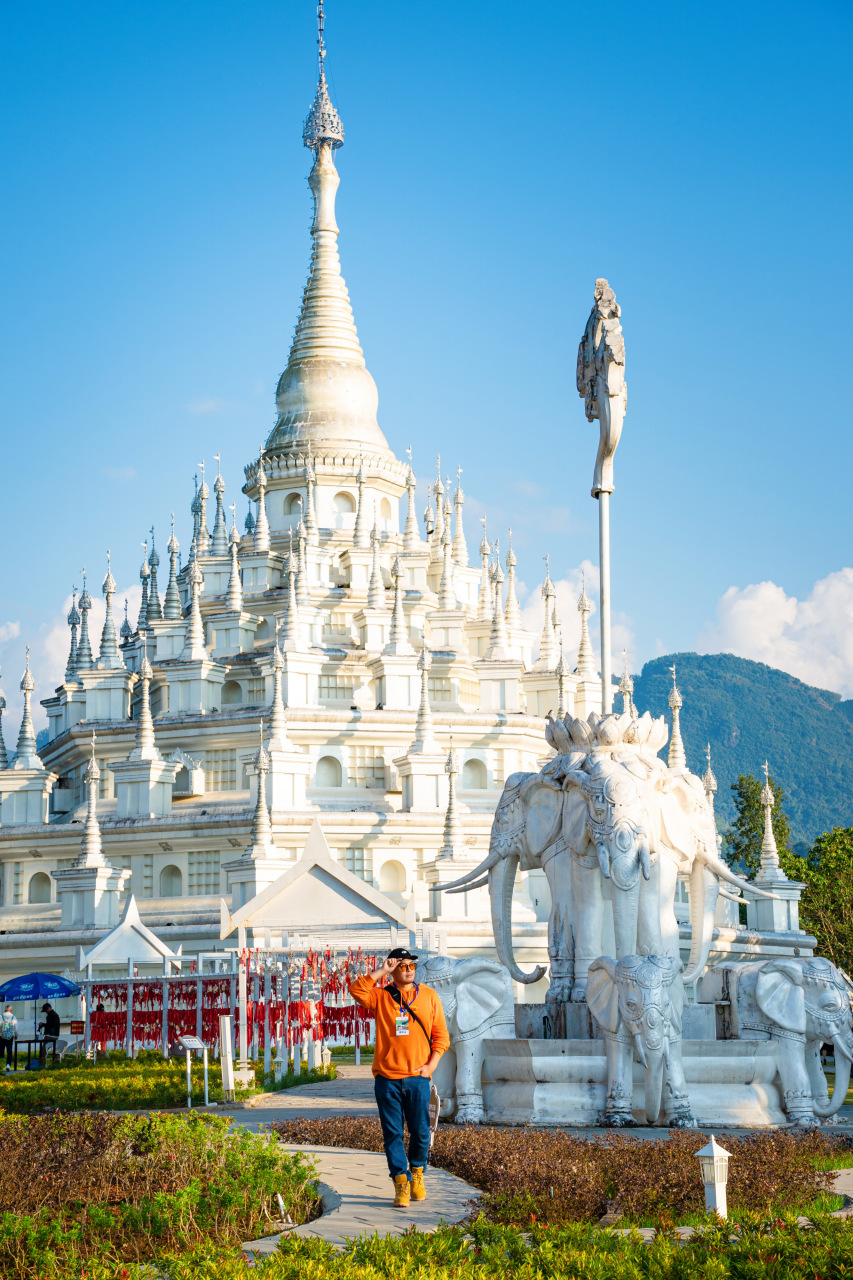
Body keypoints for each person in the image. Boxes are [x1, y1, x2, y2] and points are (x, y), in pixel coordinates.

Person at [350, 947, 449, 1208]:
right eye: (402, 966)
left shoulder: (428, 996)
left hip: (418, 1078)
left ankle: (417, 1173)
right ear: (394, 969)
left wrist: (430, 1067)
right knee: (392, 1133)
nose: (408, 970)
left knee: (420, 1132)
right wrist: (382, 970)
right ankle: (400, 1182)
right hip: (387, 1078)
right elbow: (356, 990)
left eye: (411, 966)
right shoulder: (381, 997)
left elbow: (441, 1038)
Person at [0, 1005, 17, 1073]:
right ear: (10, 1011)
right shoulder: (13, 1017)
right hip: (10, 1037)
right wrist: (16, 1035)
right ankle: (8, 1065)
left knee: (1, 1051)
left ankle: (1, 1065)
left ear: (5, 1010)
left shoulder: (1, 1016)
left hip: (1, 1036)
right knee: (9, 1051)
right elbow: (16, 1027)